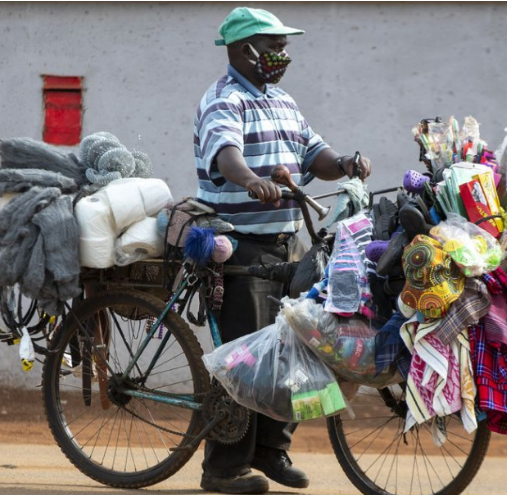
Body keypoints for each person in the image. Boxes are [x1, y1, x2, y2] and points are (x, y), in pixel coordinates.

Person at [193, 7, 371, 495]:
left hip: (285, 245)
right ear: (242, 49)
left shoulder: (283, 102)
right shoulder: (223, 101)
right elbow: (226, 155)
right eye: (273, 46)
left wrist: (348, 163)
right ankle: (223, 468)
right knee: (246, 359)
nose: (282, 55)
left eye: (283, 46)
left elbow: (316, 155)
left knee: (294, 349)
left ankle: (271, 449)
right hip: (238, 246)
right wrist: (252, 181)